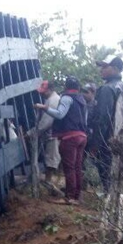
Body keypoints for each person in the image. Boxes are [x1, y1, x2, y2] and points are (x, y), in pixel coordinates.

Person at [35, 76, 87, 204]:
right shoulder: (82, 99)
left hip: (70, 136)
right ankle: (77, 196)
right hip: (82, 136)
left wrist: (44, 108)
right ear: (78, 87)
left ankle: (69, 197)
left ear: (65, 87)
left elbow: (60, 114)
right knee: (77, 167)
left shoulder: (66, 97)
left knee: (69, 167)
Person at [88, 55, 123, 193]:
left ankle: (109, 206)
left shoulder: (107, 89)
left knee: (107, 177)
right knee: (119, 178)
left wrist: (95, 145)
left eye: (104, 67)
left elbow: (102, 119)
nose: (101, 70)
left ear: (115, 69)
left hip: (107, 142)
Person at [33, 80, 61, 184]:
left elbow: (47, 121)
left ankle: (49, 182)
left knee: (51, 159)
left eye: (43, 91)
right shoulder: (50, 99)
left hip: (52, 134)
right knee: (51, 158)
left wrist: (35, 132)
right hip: (51, 134)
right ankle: (50, 181)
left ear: (49, 89)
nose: (41, 93)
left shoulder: (53, 100)